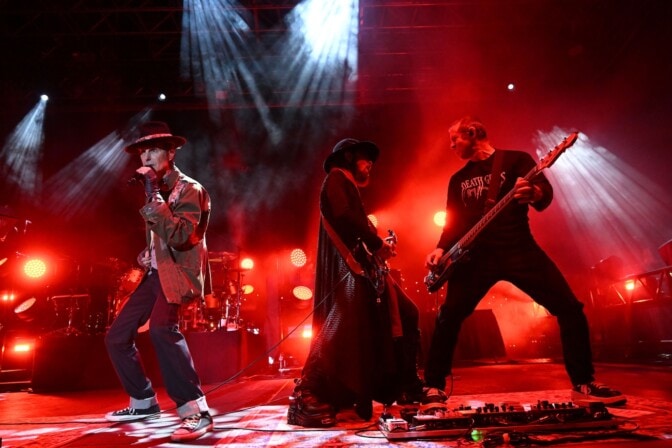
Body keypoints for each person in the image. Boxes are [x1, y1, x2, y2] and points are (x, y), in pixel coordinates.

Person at [423, 116, 625, 406]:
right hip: (473, 257)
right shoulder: (457, 180)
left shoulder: (516, 160)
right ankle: (433, 387)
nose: (451, 145)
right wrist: (441, 248)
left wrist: (533, 192)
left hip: (518, 248)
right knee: (448, 317)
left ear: (472, 132)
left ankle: (583, 383)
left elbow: (544, 194)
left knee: (569, 308)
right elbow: (452, 223)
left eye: (454, 139)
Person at [287, 138, 424, 428]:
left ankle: (406, 385)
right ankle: (305, 393)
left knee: (397, 317)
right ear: (348, 157)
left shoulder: (345, 185)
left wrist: (376, 247)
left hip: (359, 272)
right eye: (365, 157)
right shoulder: (337, 178)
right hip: (347, 274)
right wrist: (377, 244)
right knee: (336, 329)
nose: (370, 164)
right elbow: (345, 216)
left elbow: (352, 226)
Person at [104, 121, 214, 442]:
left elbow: (182, 236)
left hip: (178, 275)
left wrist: (152, 194)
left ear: (171, 152)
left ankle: (196, 411)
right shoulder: (158, 190)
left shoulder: (190, 189)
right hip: (156, 274)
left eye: (153, 150)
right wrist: (148, 252)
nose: (146, 157)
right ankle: (143, 402)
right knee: (117, 336)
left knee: (162, 329)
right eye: (143, 152)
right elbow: (164, 236)